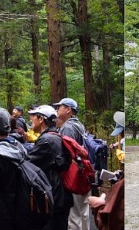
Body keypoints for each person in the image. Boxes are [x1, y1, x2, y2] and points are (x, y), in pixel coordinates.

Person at [26, 105, 73, 230]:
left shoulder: (47, 141)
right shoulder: (55, 136)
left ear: (41, 119)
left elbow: (27, 162)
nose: (31, 120)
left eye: (33, 117)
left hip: (54, 199)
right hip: (61, 196)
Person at [54, 98, 90, 230]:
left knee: (73, 214)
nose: (57, 110)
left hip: (74, 175)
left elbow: (65, 154)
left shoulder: (68, 128)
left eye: (60, 107)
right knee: (84, 212)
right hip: (84, 172)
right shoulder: (79, 125)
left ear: (68, 110)